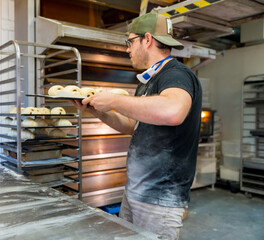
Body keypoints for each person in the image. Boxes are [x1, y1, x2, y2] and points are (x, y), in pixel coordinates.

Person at [70, 12, 202, 240]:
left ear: (147, 39)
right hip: (135, 193)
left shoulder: (176, 74)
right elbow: (133, 125)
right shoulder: (148, 82)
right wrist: (98, 111)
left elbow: (173, 112)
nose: (127, 49)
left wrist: (114, 100)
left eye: (130, 42)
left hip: (160, 198)